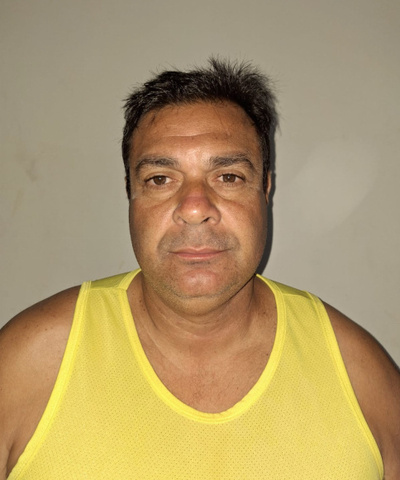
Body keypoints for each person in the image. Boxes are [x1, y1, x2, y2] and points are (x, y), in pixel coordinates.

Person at [0, 58, 399, 479]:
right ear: (130, 193)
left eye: (228, 177)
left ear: (265, 189)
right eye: (160, 179)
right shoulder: (27, 364)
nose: (194, 208)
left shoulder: (362, 377)